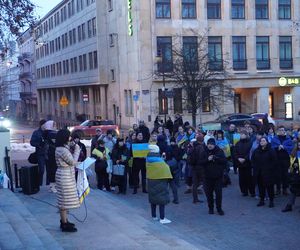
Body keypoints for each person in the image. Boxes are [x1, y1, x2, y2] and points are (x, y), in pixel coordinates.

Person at [55, 129, 80, 232]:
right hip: (64, 176)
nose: (70, 138)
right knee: (64, 201)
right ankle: (64, 224)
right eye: (69, 137)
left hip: (65, 174)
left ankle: (64, 220)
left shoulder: (62, 148)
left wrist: (72, 145)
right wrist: (77, 149)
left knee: (64, 201)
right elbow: (72, 162)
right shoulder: (62, 150)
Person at [146, 144, 172, 224]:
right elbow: (166, 168)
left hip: (151, 179)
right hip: (160, 180)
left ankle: (154, 216)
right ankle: (162, 218)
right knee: (161, 199)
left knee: (153, 199)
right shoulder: (159, 161)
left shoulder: (148, 159)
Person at [252, 137, 278, 208]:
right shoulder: (256, 150)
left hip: (268, 173)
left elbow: (274, 161)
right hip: (259, 173)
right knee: (261, 187)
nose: (262, 142)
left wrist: (270, 169)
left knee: (270, 188)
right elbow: (253, 160)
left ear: (267, 142)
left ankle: (271, 201)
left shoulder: (271, 151)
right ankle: (262, 200)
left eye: (263, 141)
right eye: (261, 141)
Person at [203, 138, 227, 215]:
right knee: (209, 194)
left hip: (218, 177)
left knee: (218, 194)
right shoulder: (204, 152)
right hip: (207, 177)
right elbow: (200, 162)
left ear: (214, 144)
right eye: (208, 144)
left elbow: (224, 161)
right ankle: (210, 208)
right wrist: (207, 159)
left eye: (211, 144)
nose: (210, 145)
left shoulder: (219, 151)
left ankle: (219, 209)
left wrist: (215, 158)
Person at [271, 126, 294, 195]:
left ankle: (285, 189)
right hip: (277, 159)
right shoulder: (274, 139)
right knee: (277, 175)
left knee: (285, 175)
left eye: (282, 130)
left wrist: (284, 147)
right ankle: (278, 189)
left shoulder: (288, 139)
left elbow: (291, 148)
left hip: (285, 159)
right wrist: (277, 147)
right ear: (278, 131)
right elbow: (272, 148)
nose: (281, 131)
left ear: (284, 131)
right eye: (280, 130)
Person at [234, 130, 255, 197]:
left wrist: (245, 158)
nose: (241, 135)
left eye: (243, 134)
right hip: (240, 164)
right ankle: (244, 191)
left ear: (246, 135)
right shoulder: (238, 143)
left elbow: (251, 152)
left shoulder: (251, 142)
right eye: (241, 134)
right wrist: (238, 158)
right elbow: (235, 152)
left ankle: (252, 191)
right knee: (242, 179)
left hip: (248, 163)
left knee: (249, 178)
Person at [282, 141, 300, 212]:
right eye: (298, 145)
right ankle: (289, 205)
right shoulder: (294, 153)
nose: (299, 146)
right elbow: (291, 164)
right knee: (293, 191)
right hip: (295, 175)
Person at [189, 135, 206, 204]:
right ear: (202, 140)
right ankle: (211, 196)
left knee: (195, 184)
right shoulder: (201, 147)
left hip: (193, 167)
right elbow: (202, 158)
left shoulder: (193, 146)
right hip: (200, 167)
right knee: (205, 182)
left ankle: (195, 199)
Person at [30, 119, 47, 186]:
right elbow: (32, 142)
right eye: (45, 124)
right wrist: (39, 144)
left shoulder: (48, 132)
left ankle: (49, 185)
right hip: (40, 154)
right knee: (41, 170)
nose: (46, 126)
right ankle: (39, 184)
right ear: (42, 125)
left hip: (48, 153)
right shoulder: (36, 132)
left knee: (50, 170)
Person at [166, 137, 181, 204]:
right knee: (173, 186)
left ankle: (166, 199)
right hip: (173, 172)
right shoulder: (174, 159)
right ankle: (176, 199)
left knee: (165, 186)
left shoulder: (165, 161)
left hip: (166, 172)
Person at [44, 120, 58, 193]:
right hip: (52, 154)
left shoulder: (47, 133)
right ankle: (53, 186)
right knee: (53, 170)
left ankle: (51, 186)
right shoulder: (52, 133)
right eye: (54, 125)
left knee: (50, 170)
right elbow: (55, 142)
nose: (55, 126)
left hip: (49, 154)